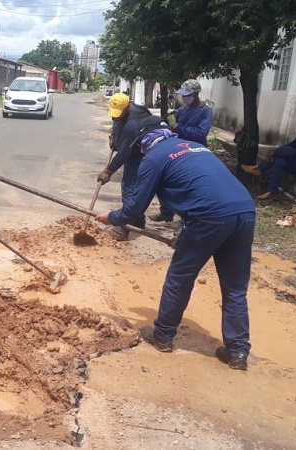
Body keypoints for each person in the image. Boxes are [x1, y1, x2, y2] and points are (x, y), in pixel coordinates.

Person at [95, 116, 256, 371]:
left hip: (208, 217)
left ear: (143, 141)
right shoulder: (195, 146)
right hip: (244, 212)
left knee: (180, 277)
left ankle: (163, 335)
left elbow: (134, 208)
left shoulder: (154, 158)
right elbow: (198, 189)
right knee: (235, 287)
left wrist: (111, 217)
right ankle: (237, 351)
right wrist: (185, 232)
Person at [149, 79, 215, 223]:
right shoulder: (182, 110)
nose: (184, 98)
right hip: (179, 149)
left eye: (187, 95)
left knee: (190, 186)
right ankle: (166, 212)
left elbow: (201, 133)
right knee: (166, 180)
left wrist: (179, 127)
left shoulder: (205, 111)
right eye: (183, 95)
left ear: (195, 94)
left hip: (196, 152)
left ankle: (188, 219)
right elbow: (174, 128)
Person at [98, 95, 153, 240]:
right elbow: (117, 122)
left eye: (119, 112)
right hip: (134, 149)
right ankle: (138, 222)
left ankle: (123, 227)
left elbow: (123, 153)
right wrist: (114, 137)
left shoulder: (133, 123)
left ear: (127, 106)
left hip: (141, 155)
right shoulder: (122, 112)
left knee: (130, 189)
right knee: (134, 188)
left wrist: (109, 171)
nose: (115, 116)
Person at [241, 114, 296, 200]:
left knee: (282, 156)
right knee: (280, 161)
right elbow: (290, 146)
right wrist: (274, 151)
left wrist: (275, 153)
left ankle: (259, 168)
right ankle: (271, 191)